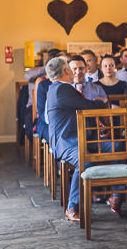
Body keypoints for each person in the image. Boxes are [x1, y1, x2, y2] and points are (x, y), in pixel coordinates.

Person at [44, 55, 111, 222]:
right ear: (66, 71)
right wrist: (102, 102)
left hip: (84, 138)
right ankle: (72, 207)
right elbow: (87, 106)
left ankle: (115, 196)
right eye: (70, 68)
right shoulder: (62, 89)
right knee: (84, 160)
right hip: (67, 141)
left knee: (118, 147)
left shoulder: (57, 88)